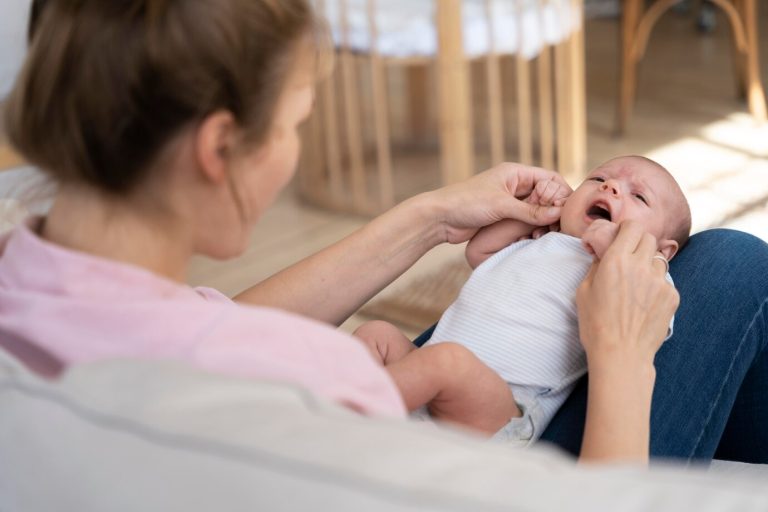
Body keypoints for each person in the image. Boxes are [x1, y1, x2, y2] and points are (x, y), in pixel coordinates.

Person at [0, 0, 764, 468]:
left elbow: (205, 328)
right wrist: (624, 355)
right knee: (731, 265)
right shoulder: (316, 385)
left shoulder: (22, 280)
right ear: (217, 149)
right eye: (298, 123)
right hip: (491, 445)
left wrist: (432, 213)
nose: (610, 191)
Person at [354, 156, 690, 442]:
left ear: (663, 249)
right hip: (433, 374)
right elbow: (479, 251)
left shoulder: (642, 277)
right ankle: (362, 406)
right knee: (377, 334)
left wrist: (610, 247)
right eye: (598, 178)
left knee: (447, 361)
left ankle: (345, 418)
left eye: (639, 197)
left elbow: (649, 327)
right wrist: (532, 212)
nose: (610, 187)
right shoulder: (543, 241)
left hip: (505, 407)